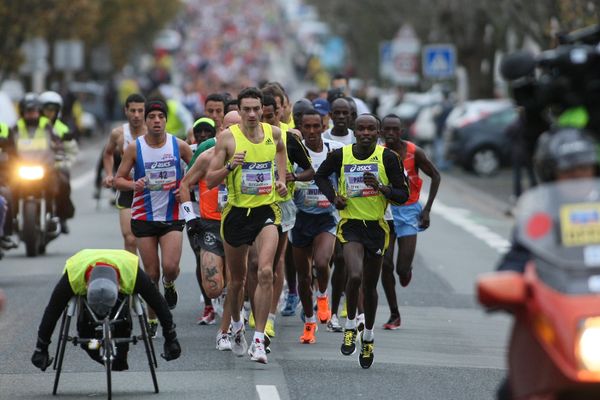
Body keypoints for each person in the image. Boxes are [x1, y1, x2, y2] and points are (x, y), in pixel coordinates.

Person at [495, 128, 597, 400]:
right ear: (551, 174)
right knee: (513, 391)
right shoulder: (539, 218)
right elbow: (515, 260)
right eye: (570, 170)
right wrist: (507, 283)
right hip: (562, 322)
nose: (579, 176)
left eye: (585, 168)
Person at [315, 113, 409, 369]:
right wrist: (334, 197)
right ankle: (349, 325)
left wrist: (382, 188)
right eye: (361, 129)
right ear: (354, 131)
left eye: (371, 129)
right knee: (354, 275)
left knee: (370, 286)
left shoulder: (388, 158)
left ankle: (367, 336)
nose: (366, 133)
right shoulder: (341, 155)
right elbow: (320, 176)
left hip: (378, 227)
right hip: (351, 225)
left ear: (378, 132)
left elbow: (403, 194)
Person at [205, 87, 287, 364]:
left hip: (266, 211)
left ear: (263, 109)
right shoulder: (228, 139)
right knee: (237, 281)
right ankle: (238, 325)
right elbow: (209, 180)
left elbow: (281, 151)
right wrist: (230, 166)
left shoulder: (273, 134)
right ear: (238, 112)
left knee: (266, 272)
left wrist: (282, 180)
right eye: (247, 109)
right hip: (237, 214)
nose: (252, 114)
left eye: (256, 109)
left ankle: (259, 340)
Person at [114, 99, 193, 336]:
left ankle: (170, 285)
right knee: (151, 274)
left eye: (161, 117)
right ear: (147, 121)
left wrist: (186, 187)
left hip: (171, 214)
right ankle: (152, 320)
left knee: (169, 267)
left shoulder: (178, 146)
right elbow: (119, 179)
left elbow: (199, 170)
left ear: (166, 120)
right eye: (152, 117)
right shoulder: (134, 148)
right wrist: (133, 184)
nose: (156, 121)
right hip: (143, 216)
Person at [31, 249, 181, 372]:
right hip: (86, 281)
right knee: (86, 338)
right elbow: (53, 310)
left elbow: (158, 303)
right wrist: (41, 347)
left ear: (118, 287)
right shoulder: (74, 275)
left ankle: (120, 354)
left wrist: (171, 337)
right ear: (87, 286)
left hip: (119, 284)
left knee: (121, 329)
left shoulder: (131, 271)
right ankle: (94, 344)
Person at [179, 113, 240, 350]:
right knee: (213, 288)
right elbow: (185, 185)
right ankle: (227, 304)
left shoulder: (252, 154)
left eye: (238, 127)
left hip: (239, 222)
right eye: (229, 127)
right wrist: (190, 218)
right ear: (220, 130)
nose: (234, 132)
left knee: (239, 281)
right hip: (211, 226)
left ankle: (225, 331)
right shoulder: (207, 156)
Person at [379, 114, 441, 330]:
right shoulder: (377, 153)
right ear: (381, 132)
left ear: (401, 131)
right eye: (386, 129)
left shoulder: (414, 152)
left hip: (408, 213)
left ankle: (406, 272)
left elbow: (436, 175)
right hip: (384, 213)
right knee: (385, 264)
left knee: (401, 268)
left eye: (395, 129)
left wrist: (427, 209)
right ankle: (394, 314)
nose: (390, 133)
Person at [293, 109, 344, 343]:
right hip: (300, 218)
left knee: (322, 262)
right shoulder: (294, 150)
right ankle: (309, 323)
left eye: (316, 126)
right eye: (307, 127)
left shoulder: (333, 149)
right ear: (300, 127)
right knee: (302, 277)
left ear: (323, 127)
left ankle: (323, 295)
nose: (312, 132)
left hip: (326, 217)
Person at [102, 94, 147, 253]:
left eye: (140, 111)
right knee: (130, 238)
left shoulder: (153, 132)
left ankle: (151, 275)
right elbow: (107, 153)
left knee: (148, 238)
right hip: (127, 189)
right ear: (126, 111)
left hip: (150, 191)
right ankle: (132, 276)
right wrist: (109, 174)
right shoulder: (118, 133)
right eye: (133, 110)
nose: (136, 115)